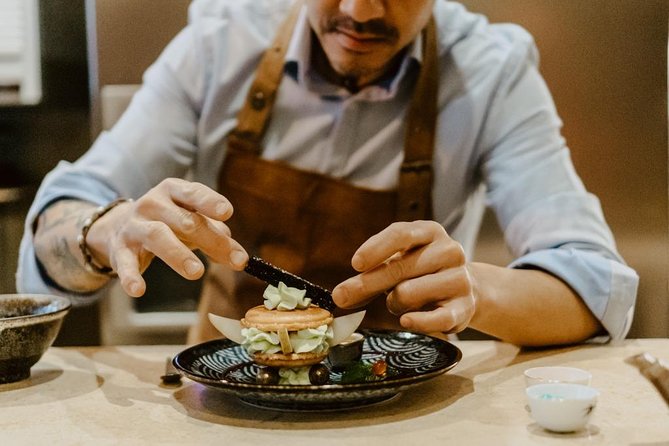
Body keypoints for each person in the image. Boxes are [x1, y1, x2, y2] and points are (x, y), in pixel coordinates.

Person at [17, 0, 638, 347]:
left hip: (409, 411)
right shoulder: (219, 41)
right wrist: (105, 231)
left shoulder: (492, 72)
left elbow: (593, 285)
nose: (358, 10)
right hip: (227, 405)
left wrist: (477, 290)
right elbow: (59, 225)